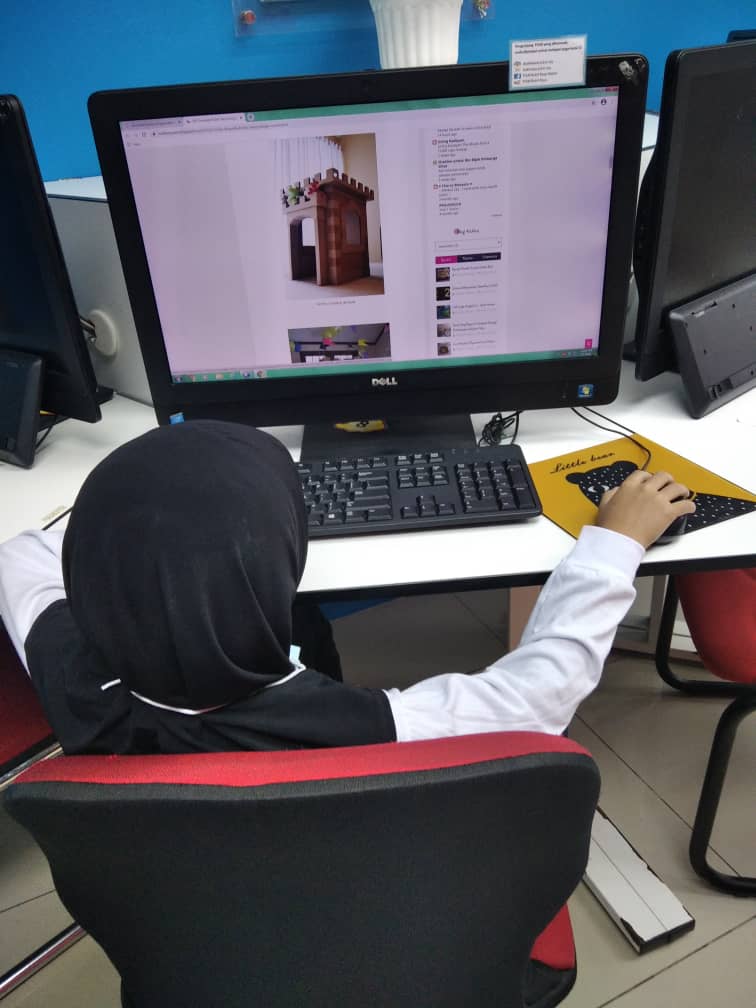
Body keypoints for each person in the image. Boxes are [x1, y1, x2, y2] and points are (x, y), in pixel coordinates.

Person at [0, 420, 695, 755]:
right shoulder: (359, 729)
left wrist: (131, 523)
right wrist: (614, 543)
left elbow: (22, 559)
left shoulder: (64, 664)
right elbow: (541, 692)